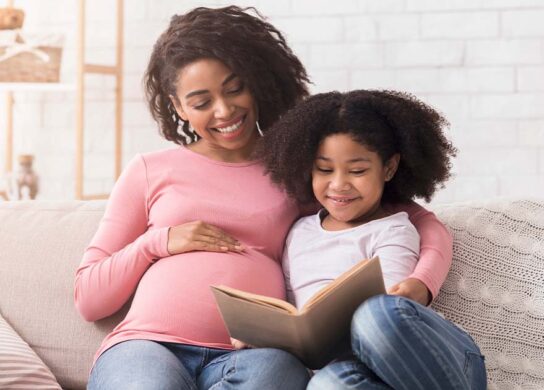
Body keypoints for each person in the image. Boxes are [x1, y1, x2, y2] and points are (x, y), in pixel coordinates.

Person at [73, 6, 454, 389]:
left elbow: (421, 221)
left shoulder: (295, 166)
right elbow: (90, 298)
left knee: (273, 376)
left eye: (234, 88)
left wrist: (423, 281)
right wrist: (159, 242)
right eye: (202, 102)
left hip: (256, 355)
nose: (224, 111)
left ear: (256, 80)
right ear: (178, 107)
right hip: (148, 344)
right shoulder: (148, 170)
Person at [257, 89, 487, 389]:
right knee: (326, 385)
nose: (339, 184)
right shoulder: (299, 232)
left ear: (388, 168)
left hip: (437, 362)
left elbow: (388, 311)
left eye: (357, 170)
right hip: (356, 373)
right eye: (325, 169)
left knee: (374, 314)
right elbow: (292, 310)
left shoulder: (394, 229)